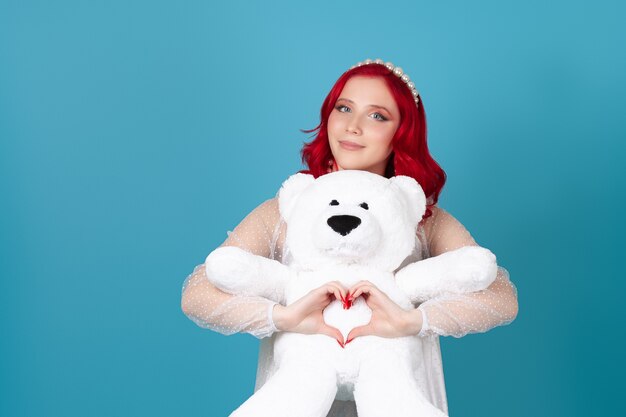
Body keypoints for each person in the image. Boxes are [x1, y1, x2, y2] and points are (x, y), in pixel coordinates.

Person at [181, 58, 519, 416]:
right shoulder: (290, 210)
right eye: (344, 108)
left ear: (402, 133)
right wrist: (284, 317)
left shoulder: (421, 219)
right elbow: (198, 293)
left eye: (377, 116)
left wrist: (411, 322)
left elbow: (500, 298)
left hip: (395, 396)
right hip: (299, 397)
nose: (353, 126)